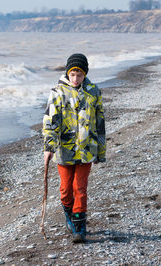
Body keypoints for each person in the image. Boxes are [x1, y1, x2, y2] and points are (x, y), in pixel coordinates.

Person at [43, 53, 106, 243]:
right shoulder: (57, 92)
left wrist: (100, 152)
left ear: (84, 74)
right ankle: (69, 215)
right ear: (67, 73)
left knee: (80, 187)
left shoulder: (93, 92)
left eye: (79, 75)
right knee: (65, 189)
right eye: (72, 75)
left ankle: (79, 226)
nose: (75, 79)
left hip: (87, 150)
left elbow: (100, 122)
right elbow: (50, 122)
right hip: (64, 150)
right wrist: (49, 147)